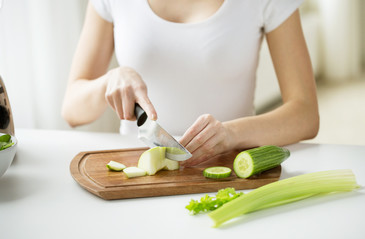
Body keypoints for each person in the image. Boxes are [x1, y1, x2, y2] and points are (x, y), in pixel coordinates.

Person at [62, 0, 319, 167]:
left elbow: (305, 113)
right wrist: (109, 81)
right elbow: (72, 110)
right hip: (137, 171)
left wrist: (232, 134)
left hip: (229, 170)